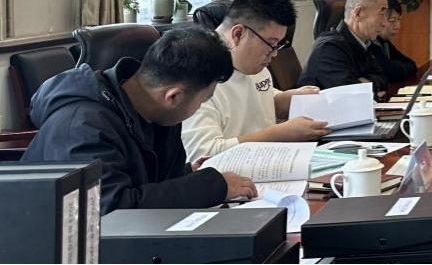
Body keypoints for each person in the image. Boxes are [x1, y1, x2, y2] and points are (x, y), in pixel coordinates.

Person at [23, 27, 257, 214]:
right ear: (173, 96)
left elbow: (141, 183)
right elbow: (111, 210)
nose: (200, 108)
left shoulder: (156, 113)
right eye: (203, 100)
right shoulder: (82, 127)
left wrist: (187, 174)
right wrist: (210, 186)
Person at [182, 0, 330, 161]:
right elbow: (202, 155)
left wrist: (286, 99)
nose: (274, 54)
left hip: (270, 163)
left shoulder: (255, 67)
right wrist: (279, 134)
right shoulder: (196, 75)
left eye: (278, 45)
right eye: (271, 44)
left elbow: (251, 102)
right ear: (238, 34)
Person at [299, 0, 392, 92]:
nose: (385, 23)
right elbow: (352, 94)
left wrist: (365, 83)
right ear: (358, 13)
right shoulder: (329, 48)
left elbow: (384, 78)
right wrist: (369, 85)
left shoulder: (363, 43)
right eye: (381, 14)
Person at [373, 0, 418, 84]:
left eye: (399, 20)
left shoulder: (384, 41)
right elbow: (392, 73)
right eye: (392, 20)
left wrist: (396, 67)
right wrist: (397, 67)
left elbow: (411, 64)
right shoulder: (370, 43)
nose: (397, 26)